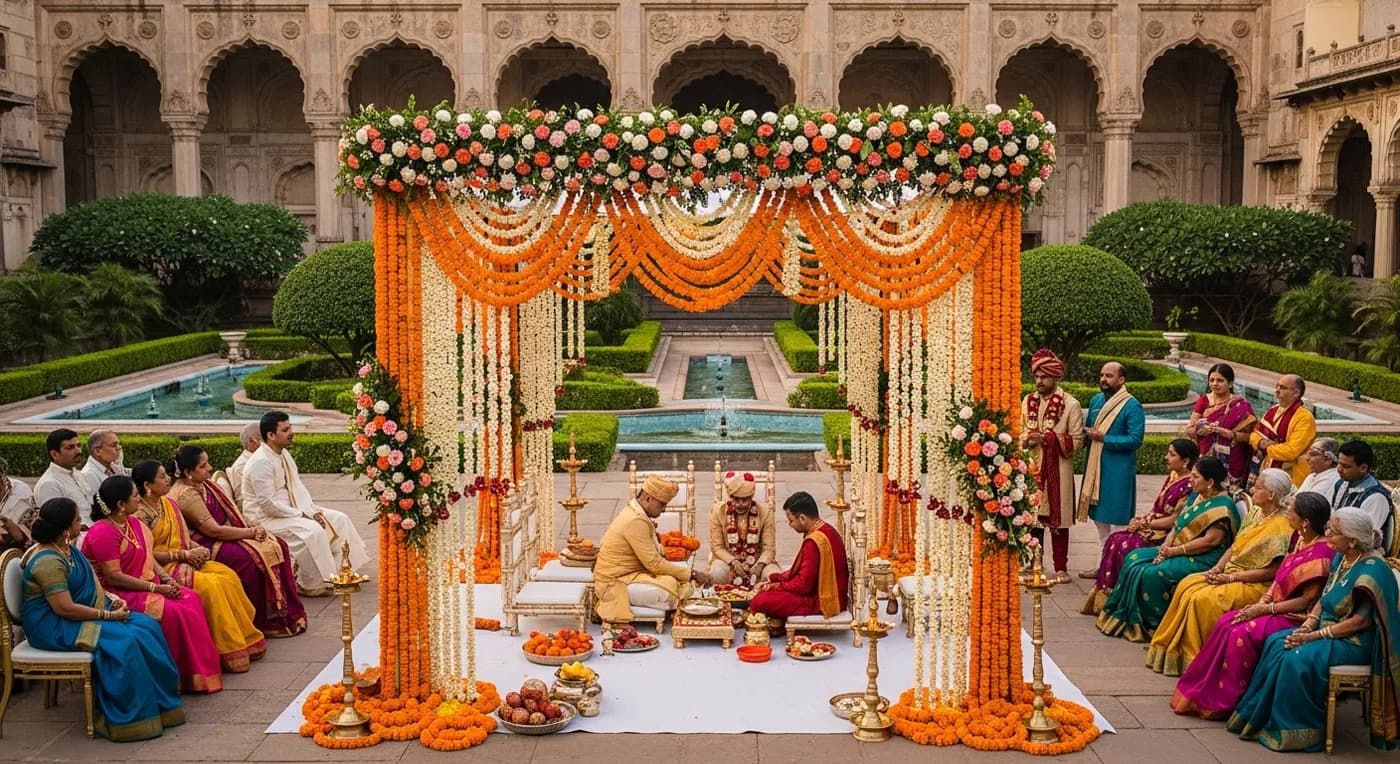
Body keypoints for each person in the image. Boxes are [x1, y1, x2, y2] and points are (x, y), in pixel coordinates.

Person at [1225, 507, 1400, 752]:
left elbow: (1360, 622)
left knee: (1296, 659)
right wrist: (1308, 624)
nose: (1328, 535)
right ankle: (1259, 717)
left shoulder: (1373, 570)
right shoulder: (1342, 558)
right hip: (1325, 628)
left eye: (1334, 532)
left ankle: (1298, 730)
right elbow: (1324, 596)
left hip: (1355, 642)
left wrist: (1312, 636)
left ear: (1352, 541)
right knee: (1276, 642)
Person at [18, 498, 185, 742]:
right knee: (124, 642)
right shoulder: (48, 561)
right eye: (77, 520)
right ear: (65, 529)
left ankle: (162, 707)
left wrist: (111, 599)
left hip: (74, 613)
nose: (80, 523)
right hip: (52, 625)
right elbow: (64, 608)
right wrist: (109, 615)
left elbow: (92, 587)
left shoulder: (67, 548)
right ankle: (131, 719)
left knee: (146, 627)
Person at [1171, 492, 1334, 719]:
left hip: (1295, 615)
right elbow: (1278, 578)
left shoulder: (1323, 553)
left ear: (1305, 522)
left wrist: (1265, 609)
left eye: (1292, 511)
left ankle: (1227, 702)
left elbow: (1307, 600)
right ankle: (1200, 695)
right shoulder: (1299, 538)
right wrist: (1263, 600)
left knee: (1242, 634)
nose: (1287, 512)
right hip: (1274, 604)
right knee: (1226, 622)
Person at [1146, 468, 1296, 676]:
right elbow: (1235, 546)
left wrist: (1231, 577)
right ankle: (1173, 650)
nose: (1252, 489)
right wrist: (1217, 568)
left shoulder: (1281, 526)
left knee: (1201, 599)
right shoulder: (1256, 512)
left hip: (1254, 584)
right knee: (1187, 585)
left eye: (1259, 487)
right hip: (1231, 570)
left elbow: (1272, 572)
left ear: (1271, 495)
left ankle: (1198, 659)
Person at [81, 475, 223, 693]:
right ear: (121, 504)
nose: (139, 499)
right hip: (117, 593)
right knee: (174, 612)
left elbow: (149, 557)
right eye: (135, 496)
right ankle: (178, 678)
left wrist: (166, 579)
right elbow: (113, 577)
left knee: (191, 599)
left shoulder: (133, 523)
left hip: (145, 584)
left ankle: (197, 676)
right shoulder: (103, 532)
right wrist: (156, 588)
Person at [131, 460, 266, 673]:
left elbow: (183, 536)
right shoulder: (139, 515)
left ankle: (248, 641)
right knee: (211, 587)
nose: (168, 479)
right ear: (147, 485)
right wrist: (183, 554)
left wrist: (196, 548)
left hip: (185, 559)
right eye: (162, 477)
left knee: (227, 576)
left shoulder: (169, 504)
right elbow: (146, 554)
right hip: (163, 568)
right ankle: (227, 652)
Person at [1096, 456, 1240, 642]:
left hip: (1205, 557)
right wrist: (1166, 544)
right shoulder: (1199, 496)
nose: (1191, 480)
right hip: (1178, 547)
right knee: (1134, 557)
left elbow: (1210, 542)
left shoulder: (1222, 507)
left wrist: (1173, 552)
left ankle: (1155, 627)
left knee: (1152, 573)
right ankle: (1128, 619)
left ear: (1210, 482)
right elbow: (1177, 524)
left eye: (1196, 477)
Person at [167, 445, 307, 637]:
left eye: (207, 463)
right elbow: (212, 530)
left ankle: (283, 615)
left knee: (278, 544)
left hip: (221, 534)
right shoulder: (186, 494)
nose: (210, 468)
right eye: (203, 465)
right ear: (188, 472)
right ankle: (259, 621)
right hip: (204, 542)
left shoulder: (203, 484)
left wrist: (248, 527)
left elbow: (230, 515)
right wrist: (249, 533)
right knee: (248, 560)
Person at [240, 411, 367, 596]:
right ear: (271, 435)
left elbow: (296, 487)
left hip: (293, 508)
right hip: (266, 518)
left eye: (290, 427)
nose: (291, 432)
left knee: (340, 519)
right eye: (285, 429)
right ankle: (314, 584)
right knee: (313, 531)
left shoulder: (282, 454)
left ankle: (341, 572)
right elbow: (268, 504)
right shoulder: (261, 462)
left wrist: (311, 510)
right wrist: (301, 515)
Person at [1081, 438, 1199, 615]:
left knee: (1124, 544)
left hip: (1165, 534)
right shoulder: (1174, 476)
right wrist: (1141, 519)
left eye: (1172, 454)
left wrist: (1144, 523)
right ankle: (1107, 598)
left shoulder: (1189, 485)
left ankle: (1122, 600)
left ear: (1186, 461)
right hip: (1153, 525)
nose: (1166, 457)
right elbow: (1157, 508)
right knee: (1115, 538)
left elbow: (1174, 520)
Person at [594, 476, 712, 623]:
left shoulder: (636, 513)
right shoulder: (635, 520)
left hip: (631, 574)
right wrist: (692, 574)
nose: (664, 509)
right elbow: (655, 565)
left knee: (676, 582)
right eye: (662, 504)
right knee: (671, 591)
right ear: (648, 499)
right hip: (615, 582)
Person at [1020, 348, 1084, 583]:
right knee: (1032, 517)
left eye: (1044, 377)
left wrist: (1047, 439)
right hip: (1033, 467)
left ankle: (1060, 567)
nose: (1039, 381)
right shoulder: (1028, 401)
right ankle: (1032, 562)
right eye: (1036, 377)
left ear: (1056, 377)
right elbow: (1020, 432)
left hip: (1058, 468)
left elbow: (1077, 441)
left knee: (1058, 520)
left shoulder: (1071, 405)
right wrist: (1027, 439)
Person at [1077, 361, 1146, 578]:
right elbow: (1087, 432)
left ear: (1121, 379)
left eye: (1109, 376)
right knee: (1100, 522)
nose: (1103, 380)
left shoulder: (1131, 405)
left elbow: (1135, 439)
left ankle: (1114, 570)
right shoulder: (1096, 400)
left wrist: (1104, 438)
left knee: (1117, 523)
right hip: (1096, 469)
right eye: (1102, 375)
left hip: (1118, 472)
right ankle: (1102, 566)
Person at [748, 492, 850, 626]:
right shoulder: (825, 528)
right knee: (767, 594)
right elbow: (804, 573)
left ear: (802, 518)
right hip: (825, 594)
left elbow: (803, 586)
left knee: (759, 601)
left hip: (823, 601)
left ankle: (773, 624)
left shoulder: (815, 540)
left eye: (791, 521)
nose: (790, 525)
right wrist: (776, 578)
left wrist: (775, 586)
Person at [1181, 364, 1256, 487]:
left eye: (1220, 380)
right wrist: (1201, 429)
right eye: (1211, 380)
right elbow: (1190, 430)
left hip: (1234, 460)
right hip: (1207, 459)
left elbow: (1252, 437)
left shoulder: (1241, 406)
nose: (1215, 384)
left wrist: (1230, 434)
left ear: (1230, 384)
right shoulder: (1204, 400)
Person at [706, 470, 779, 587]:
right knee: (717, 573)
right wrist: (733, 562)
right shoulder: (718, 511)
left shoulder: (765, 512)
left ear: (751, 498)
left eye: (745, 500)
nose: (740, 504)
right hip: (728, 563)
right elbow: (717, 547)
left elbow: (769, 549)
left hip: (757, 563)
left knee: (774, 575)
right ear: (730, 497)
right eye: (736, 499)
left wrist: (759, 566)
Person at [1246, 374, 1315, 489]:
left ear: (1296, 393)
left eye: (1283, 388)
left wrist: (1265, 448)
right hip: (1266, 467)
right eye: (1277, 386)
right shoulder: (1272, 410)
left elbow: (1291, 451)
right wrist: (1261, 442)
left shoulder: (1305, 418)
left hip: (1290, 475)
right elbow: (1254, 435)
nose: (1277, 390)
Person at [1329, 438, 1395, 555]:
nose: (1339, 469)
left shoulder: (1376, 497)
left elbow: (1365, 539)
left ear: (1363, 468)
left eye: (1346, 466)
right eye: (1339, 463)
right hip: (1339, 545)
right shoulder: (1341, 484)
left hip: (1360, 555)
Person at [34, 428, 98, 513]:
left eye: (78, 445)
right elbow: (57, 522)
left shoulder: (77, 474)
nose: (78, 451)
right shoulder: (49, 484)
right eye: (70, 447)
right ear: (54, 454)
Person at [224, 422, 262, 504]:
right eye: (265, 437)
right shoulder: (242, 466)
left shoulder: (261, 458)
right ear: (252, 441)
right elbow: (243, 500)